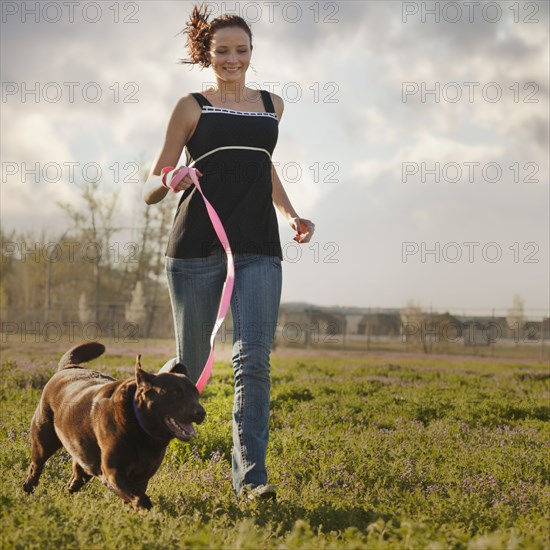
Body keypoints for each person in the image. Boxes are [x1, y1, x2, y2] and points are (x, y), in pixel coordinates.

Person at [142, 5, 315, 500]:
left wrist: (292, 215)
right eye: (223, 51)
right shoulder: (190, 106)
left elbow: (265, 168)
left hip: (259, 246)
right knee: (191, 367)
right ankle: (132, 426)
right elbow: (156, 180)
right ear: (208, 54)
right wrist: (169, 181)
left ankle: (251, 481)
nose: (233, 59)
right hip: (196, 247)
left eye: (241, 50)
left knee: (253, 362)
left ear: (252, 53)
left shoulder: (272, 106)